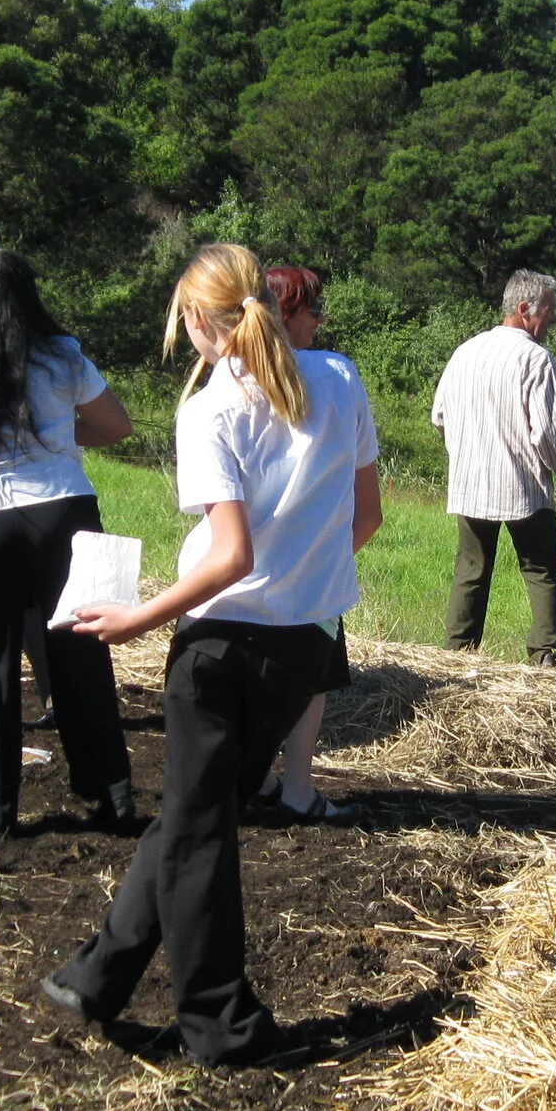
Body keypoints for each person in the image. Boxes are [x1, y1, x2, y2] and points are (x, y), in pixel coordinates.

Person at [42, 244, 382, 1065]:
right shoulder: (338, 378)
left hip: (220, 647)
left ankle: (220, 1024)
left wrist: (138, 619)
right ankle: (98, 973)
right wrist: (307, 573)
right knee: (200, 814)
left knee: (200, 837)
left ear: (197, 319)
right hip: (302, 645)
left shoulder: (210, 410)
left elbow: (228, 556)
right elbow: (366, 516)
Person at [0, 249, 136, 836]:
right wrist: (52, 433)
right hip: (64, 511)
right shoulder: (62, 354)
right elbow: (116, 427)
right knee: (82, 655)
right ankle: (111, 795)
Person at [431, 269, 556, 667]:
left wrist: (467, 452)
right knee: (540, 568)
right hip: (522, 486)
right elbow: (550, 432)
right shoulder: (535, 358)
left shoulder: (465, 352)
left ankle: (457, 654)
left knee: (471, 569)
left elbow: (439, 415)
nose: (554, 318)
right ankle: (545, 653)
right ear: (524, 308)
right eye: (550, 309)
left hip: (471, 485)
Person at [258, 264, 358, 819]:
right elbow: (367, 507)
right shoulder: (337, 376)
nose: (321, 321)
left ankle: (259, 778)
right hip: (313, 566)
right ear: (287, 315)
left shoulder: (229, 376)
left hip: (240, 566)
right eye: (314, 310)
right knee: (309, 683)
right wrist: (330, 561)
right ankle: (296, 788)